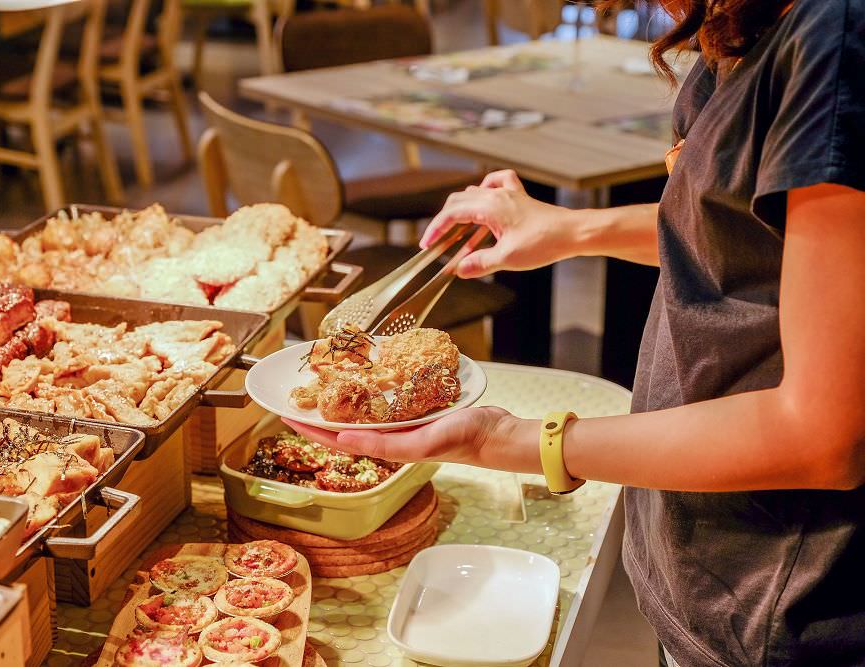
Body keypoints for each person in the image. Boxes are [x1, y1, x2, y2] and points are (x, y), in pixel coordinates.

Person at [284, 1, 865, 665]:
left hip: (786, 606)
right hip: (713, 579)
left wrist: (512, 440)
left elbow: (821, 434)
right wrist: (572, 230)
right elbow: (745, 237)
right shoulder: (747, 20)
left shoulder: (836, 37)